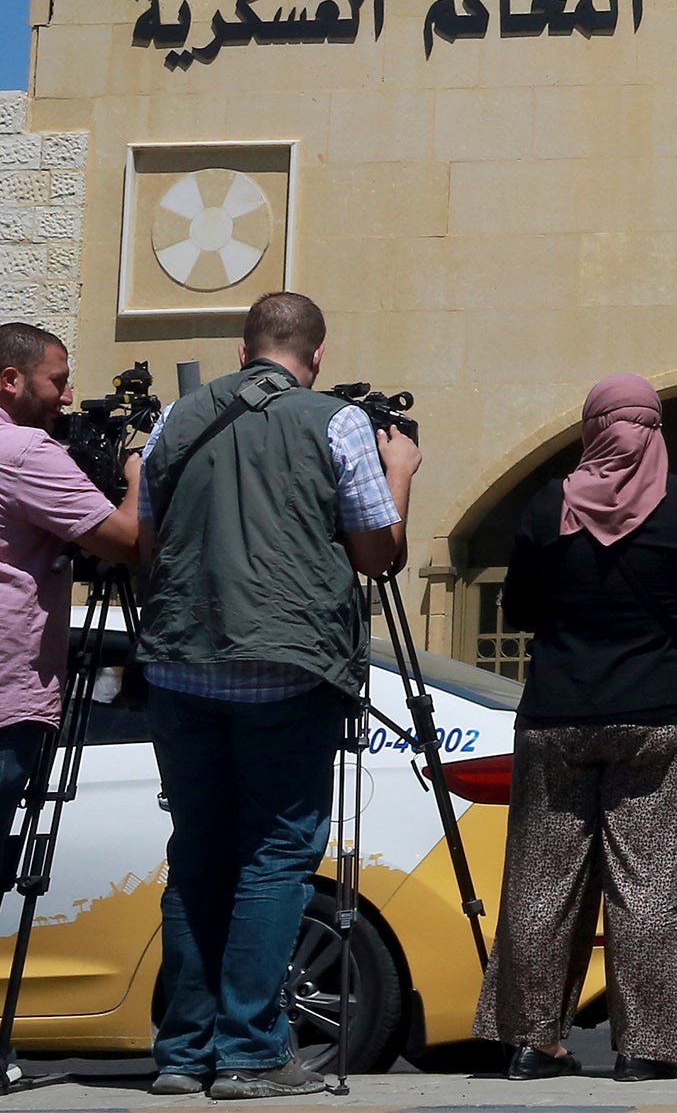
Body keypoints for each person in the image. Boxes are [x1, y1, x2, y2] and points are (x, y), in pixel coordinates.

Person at [136, 292, 419, 1101]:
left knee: (196, 855)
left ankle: (182, 1053)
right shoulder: (335, 423)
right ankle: (252, 1052)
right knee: (274, 858)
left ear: (242, 348)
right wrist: (399, 473)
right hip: (288, 669)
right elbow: (377, 553)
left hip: (181, 665)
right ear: (317, 355)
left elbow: (146, 540)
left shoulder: (177, 421)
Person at [474, 375, 677, 1081]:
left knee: (540, 883)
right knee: (645, 884)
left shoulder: (547, 505)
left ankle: (534, 1043)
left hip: (558, 713)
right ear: (654, 427)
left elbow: (521, 604)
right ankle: (644, 1051)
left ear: (592, 427)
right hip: (654, 714)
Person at [0, 325, 141, 829]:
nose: (68, 396)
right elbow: (126, 542)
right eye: (57, 381)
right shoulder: (24, 452)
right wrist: (137, 474)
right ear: (11, 380)